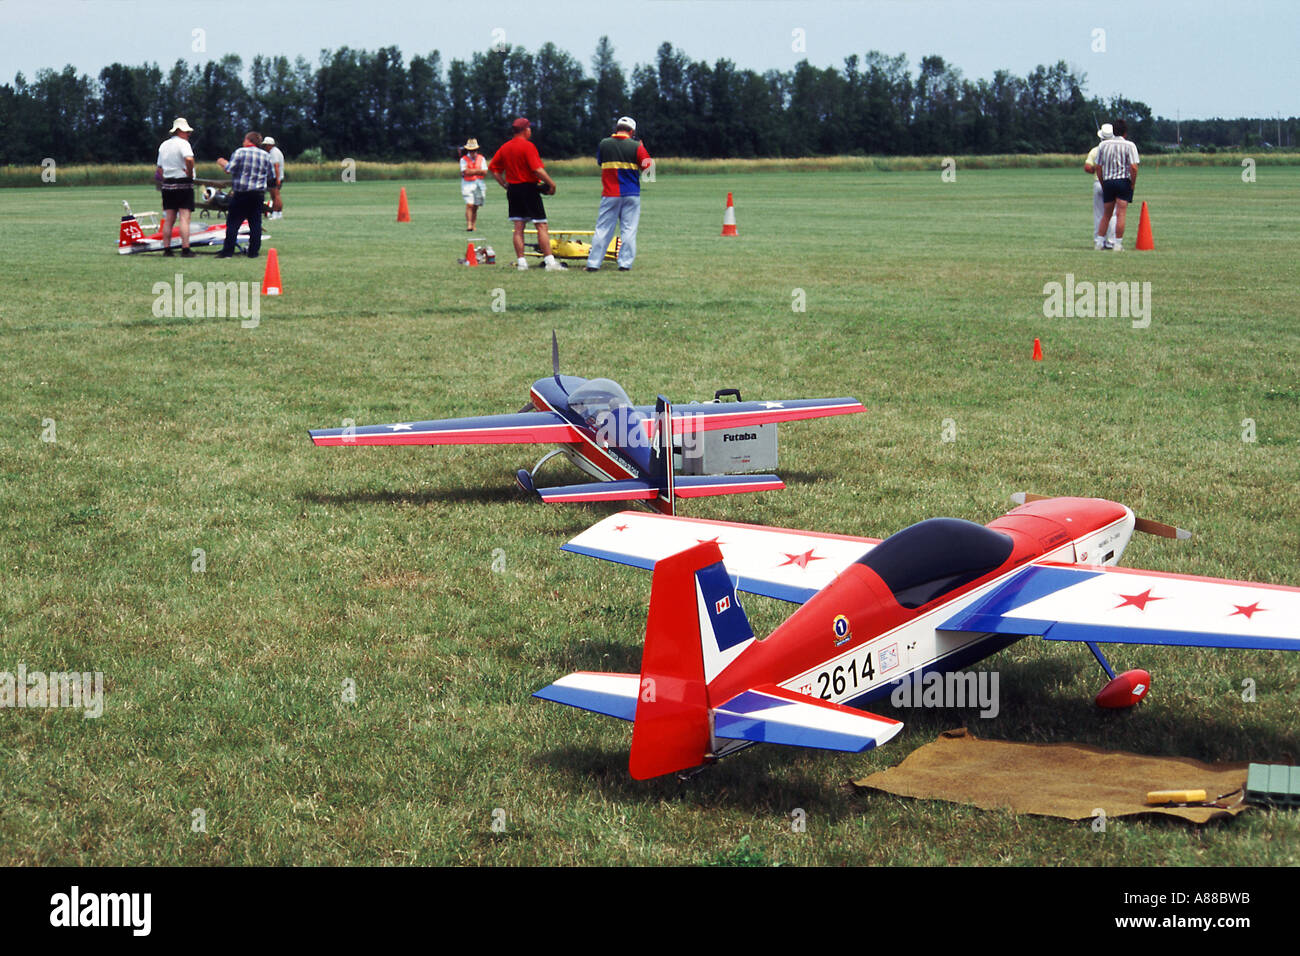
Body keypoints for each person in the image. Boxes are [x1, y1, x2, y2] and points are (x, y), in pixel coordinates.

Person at [487, 117, 564, 271]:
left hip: (513, 189)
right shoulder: (528, 146)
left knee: (518, 227)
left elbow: (493, 169)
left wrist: (504, 184)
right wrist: (551, 183)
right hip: (529, 188)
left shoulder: (505, 147)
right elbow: (536, 169)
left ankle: (522, 262)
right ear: (525, 130)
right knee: (541, 225)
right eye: (530, 129)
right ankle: (550, 262)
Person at [585, 116, 652, 272]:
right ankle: (625, 264)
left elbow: (600, 162)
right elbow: (650, 170)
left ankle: (594, 263)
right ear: (632, 131)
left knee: (603, 229)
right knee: (628, 230)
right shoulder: (636, 146)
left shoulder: (604, 144)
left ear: (617, 128)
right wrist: (642, 148)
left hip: (610, 193)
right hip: (631, 193)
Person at [215, 131, 273, 258]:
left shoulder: (240, 152)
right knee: (255, 223)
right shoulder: (266, 155)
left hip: (241, 193)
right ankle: (253, 252)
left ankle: (228, 251)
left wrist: (222, 162)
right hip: (258, 194)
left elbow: (229, 169)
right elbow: (271, 175)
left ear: (248, 140)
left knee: (233, 223)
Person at [1095, 119, 1140, 251]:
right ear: (1125, 133)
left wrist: (1103, 182)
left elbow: (1098, 167)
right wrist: (1132, 183)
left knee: (1106, 214)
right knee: (1121, 214)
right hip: (1123, 181)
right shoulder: (1130, 145)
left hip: (1108, 181)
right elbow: (1133, 167)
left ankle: (1099, 242)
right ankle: (1118, 244)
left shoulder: (1103, 146)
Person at [156, 118, 197, 257]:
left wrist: (165, 178)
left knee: (169, 219)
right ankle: (185, 249)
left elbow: (159, 168)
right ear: (180, 131)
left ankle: (167, 249)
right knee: (185, 217)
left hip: (167, 184)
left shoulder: (163, 145)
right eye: (186, 132)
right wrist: (190, 173)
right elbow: (189, 159)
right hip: (183, 183)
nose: (188, 134)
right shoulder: (184, 144)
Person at [1084, 123, 1117, 249]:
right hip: (1112, 182)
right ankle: (1111, 241)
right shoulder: (1115, 149)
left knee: (1099, 214)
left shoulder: (1095, 150)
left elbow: (1087, 167)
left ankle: (1099, 240)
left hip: (1098, 183)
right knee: (1113, 214)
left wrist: (1095, 170)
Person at [459, 137, 488, 231]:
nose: (472, 152)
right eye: (471, 150)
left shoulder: (481, 158)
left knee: (476, 206)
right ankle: (469, 225)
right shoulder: (463, 159)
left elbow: (484, 172)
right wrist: (477, 171)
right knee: (469, 204)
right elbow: (465, 172)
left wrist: (471, 171)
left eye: (474, 150)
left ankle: (473, 224)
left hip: (479, 184)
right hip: (467, 184)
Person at [262, 136, 285, 219]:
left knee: (275, 196)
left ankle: (275, 213)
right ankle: (279, 213)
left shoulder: (273, 153)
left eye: (265, 145)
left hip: (275, 177)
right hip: (276, 177)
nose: (264, 147)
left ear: (269, 145)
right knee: (276, 196)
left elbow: (276, 166)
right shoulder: (275, 151)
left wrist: (277, 179)